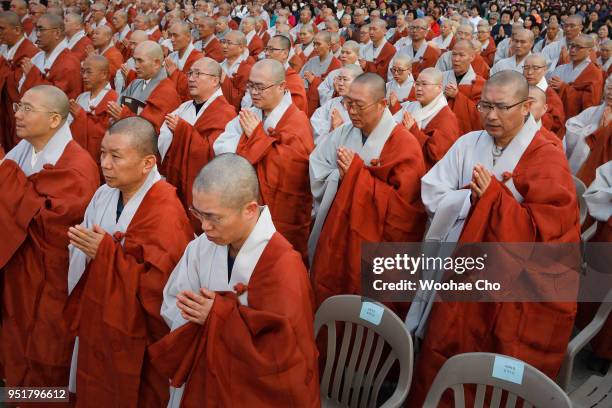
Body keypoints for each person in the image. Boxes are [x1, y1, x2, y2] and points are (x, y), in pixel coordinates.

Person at [409, 71, 580, 405]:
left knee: (494, 351)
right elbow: (431, 190)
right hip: (457, 266)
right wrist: (470, 200)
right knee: (446, 340)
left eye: (501, 107)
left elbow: (550, 234)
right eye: (484, 105)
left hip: (510, 281)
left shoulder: (547, 155)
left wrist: (494, 202)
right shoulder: (468, 143)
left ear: (527, 106)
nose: (490, 115)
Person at [148, 154, 320, 408]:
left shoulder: (283, 266)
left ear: (250, 210)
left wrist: (218, 318)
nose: (204, 227)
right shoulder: (199, 248)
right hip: (201, 373)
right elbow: (173, 303)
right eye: (198, 213)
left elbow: (283, 354)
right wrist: (208, 320)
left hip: (252, 391)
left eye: (214, 217)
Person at [67, 117, 193, 407]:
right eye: (102, 154)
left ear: (148, 163)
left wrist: (107, 256)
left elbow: (162, 288)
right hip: (97, 316)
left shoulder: (165, 211)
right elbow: (81, 253)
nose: (105, 164)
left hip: (136, 337)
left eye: (116, 156)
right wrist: (93, 252)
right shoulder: (103, 194)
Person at [0, 85, 99, 387]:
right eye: (19, 106)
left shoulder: (77, 166)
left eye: (28, 109)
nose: (17, 114)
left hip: (51, 282)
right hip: (19, 274)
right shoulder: (22, 150)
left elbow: (47, 223)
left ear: (55, 120)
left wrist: (5, 177)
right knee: (15, 346)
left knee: (47, 358)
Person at [309, 73, 427, 307]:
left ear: (383, 104)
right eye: (348, 103)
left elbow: (405, 213)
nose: (351, 111)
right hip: (338, 230)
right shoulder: (343, 133)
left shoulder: (404, 144)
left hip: (375, 249)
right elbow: (318, 164)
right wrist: (339, 178)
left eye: (359, 106)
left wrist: (356, 176)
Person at [213, 59, 313, 260]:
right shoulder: (251, 113)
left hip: (283, 210)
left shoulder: (296, 120)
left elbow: (292, 168)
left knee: (279, 261)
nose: (254, 92)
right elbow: (221, 145)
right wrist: (257, 139)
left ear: (282, 87)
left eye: (260, 87)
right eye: (250, 86)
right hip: (250, 201)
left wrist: (257, 137)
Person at [159, 57, 236, 224]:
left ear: (215, 80)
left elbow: (214, 153)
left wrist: (182, 130)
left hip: (205, 188)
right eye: (190, 73)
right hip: (177, 179)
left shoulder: (225, 112)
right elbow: (164, 137)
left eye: (198, 74)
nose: (191, 78)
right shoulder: (184, 107)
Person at [108, 40, 181, 133]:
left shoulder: (167, 91)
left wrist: (124, 116)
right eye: (135, 60)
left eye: (140, 61)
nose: (136, 66)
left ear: (157, 63)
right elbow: (117, 107)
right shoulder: (135, 84)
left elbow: (152, 130)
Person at [394, 67, 460, 169]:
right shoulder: (410, 107)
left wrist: (413, 130)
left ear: (439, 88)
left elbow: (438, 155)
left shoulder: (446, 118)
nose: (419, 88)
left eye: (424, 84)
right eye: (417, 83)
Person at [69, 55, 118, 171]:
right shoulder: (81, 98)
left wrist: (81, 116)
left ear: (104, 74)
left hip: (100, 162)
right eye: (83, 71)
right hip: (77, 159)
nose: (84, 76)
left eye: (89, 72)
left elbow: (107, 134)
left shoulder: (114, 99)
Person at [0, 11, 39, 152]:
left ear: (17, 30)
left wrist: (3, 67)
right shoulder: (4, 48)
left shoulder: (30, 52)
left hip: (17, 111)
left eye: (1, 29)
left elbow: (21, 86)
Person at [20, 13, 82, 99]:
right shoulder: (38, 57)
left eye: (42, 30)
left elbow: (56, 98)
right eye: (37, 30)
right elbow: (21, 86)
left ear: (57, 33)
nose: (38, 34)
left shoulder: (69, 62)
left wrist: (32, 75)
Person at [564, 77, 611, 183]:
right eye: (609, 88)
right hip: (582, 166)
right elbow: (572, 126)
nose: (610, 93)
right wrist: (591, 131)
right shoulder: (592, 112)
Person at [549, 34, 604, 121]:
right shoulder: (560, 68)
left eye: (579, 47)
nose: (573, 50)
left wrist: (564, 87)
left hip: (576, 121)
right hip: (556, 116)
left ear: (589, 51)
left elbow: (591, 104)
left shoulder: (594, 73)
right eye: (572, 46)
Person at [248, 34, 308, 113]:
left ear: (285, 53)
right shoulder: (265, 73)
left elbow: (290, 113)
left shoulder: (294, 81)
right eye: (266, 49)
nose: (266, 53)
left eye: (271, 49)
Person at [442, 40, 486, 135]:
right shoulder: (441, 77)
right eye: (454, 54)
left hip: (466, 134)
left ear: (472, 57)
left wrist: (457, 96)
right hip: (442, 130)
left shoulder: (479, 83)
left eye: (461, 55)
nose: (456, 59)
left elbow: (481, 113)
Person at [310, 64, 362, 142]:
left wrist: (340, 127)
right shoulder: (332, 103)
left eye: (345, 79)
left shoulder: (363, 106)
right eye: (339, 79)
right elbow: (315, 122)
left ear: (358, 82)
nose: (340, 83)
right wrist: (331, 129)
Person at [523, 53, 565, 137]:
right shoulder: (518, 87)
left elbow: (557, 123)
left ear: (545, 69)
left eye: (536, 68)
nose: (530, 72)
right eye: (526, 68)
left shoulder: (550, 95)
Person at [300, 31, 341, 116]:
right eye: (314, 44)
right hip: (306, 103)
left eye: (318, 44)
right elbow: (301, 80)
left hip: (323, 110)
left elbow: (334, 93)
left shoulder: (336, 64)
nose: (315, 47)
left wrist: (314, 81)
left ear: (329, 45)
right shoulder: (312, 60)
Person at [165, 21, 204, 102]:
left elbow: (196, 89)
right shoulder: (171, 57)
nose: (171, 39)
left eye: (175, 35)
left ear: (188, 37)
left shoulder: (199, 59)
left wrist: (175, 73)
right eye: (170, 35)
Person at [317, 39, 360, 105]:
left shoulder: (362, 74)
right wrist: (334, 92)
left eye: (348, 53)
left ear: (357, 55)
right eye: (342, 52)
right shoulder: (333, 73)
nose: (343, 55)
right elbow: (322, 90)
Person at [219, 30, 255, 110]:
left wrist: (224, 79)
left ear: (241, 48)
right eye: (223, 42)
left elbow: (245, 101)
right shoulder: (219, 66)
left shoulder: (247, 69)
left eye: (229, 43)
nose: (224, 46)